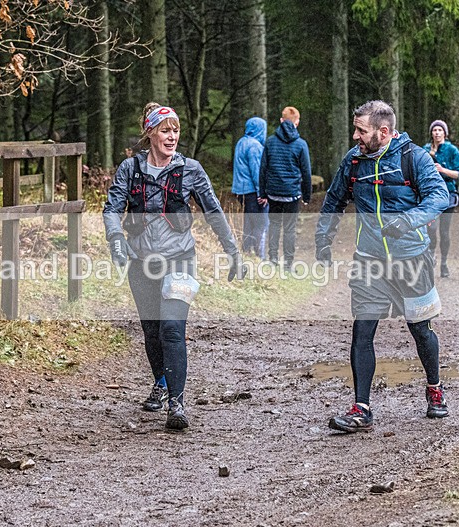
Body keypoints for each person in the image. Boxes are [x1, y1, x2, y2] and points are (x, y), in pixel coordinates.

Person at [102, 102, 244, 431]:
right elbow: (111, 209)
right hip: (141, 261)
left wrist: (233, 251)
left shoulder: (190, 169)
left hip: (180, 259)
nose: (172, 137)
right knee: (152, 331)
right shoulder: (130, 168)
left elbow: (213, 210)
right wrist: (115, 240)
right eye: (165, 130)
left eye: (176, 131)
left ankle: (176, 404)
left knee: (171, 329)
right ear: (150, 132)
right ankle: (162, 383)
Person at [315, 100, 449, 433]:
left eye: (362, 130)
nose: (356, 136)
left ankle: (434, 388)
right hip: (369, 260)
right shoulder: (353, 160)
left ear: (383, 131)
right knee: (362, 331)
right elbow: (334, 200)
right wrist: (323, 240)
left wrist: (407, 221)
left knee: (421, 330)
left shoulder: (413, 158)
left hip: (411, 259)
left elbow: (439, 196)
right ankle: (361, 408)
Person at [258, 106, 312, 270]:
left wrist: (263, 192)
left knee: (274, 224)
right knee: (289, 229)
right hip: (292, 193)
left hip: (273, 192)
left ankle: (273, 259)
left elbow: (263, 169)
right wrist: (307, 195)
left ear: (281, 121)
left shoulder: (270, 142)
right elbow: (306, 172)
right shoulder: (301, 144)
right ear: (297, 122)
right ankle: (288, 264)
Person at [422, 119, 459, 278]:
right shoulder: (425, 149)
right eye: (434, 130)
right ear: (431, 133)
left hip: (448, 194)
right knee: (430, 228)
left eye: (440, 130)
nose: (437, 133)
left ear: (445, 133)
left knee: (444, 231)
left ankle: (444, 263)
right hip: (430, 195)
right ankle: (431, 254)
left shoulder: (452, 150)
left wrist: (443, 170)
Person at [232, 117, 269, 258]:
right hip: (252, 191)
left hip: (240, 190)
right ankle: (260, 256)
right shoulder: (255, 146)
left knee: (249, 223)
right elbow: (257, 172)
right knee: (261, 223)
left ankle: (247, 252)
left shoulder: (241, 142)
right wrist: (262, 193)